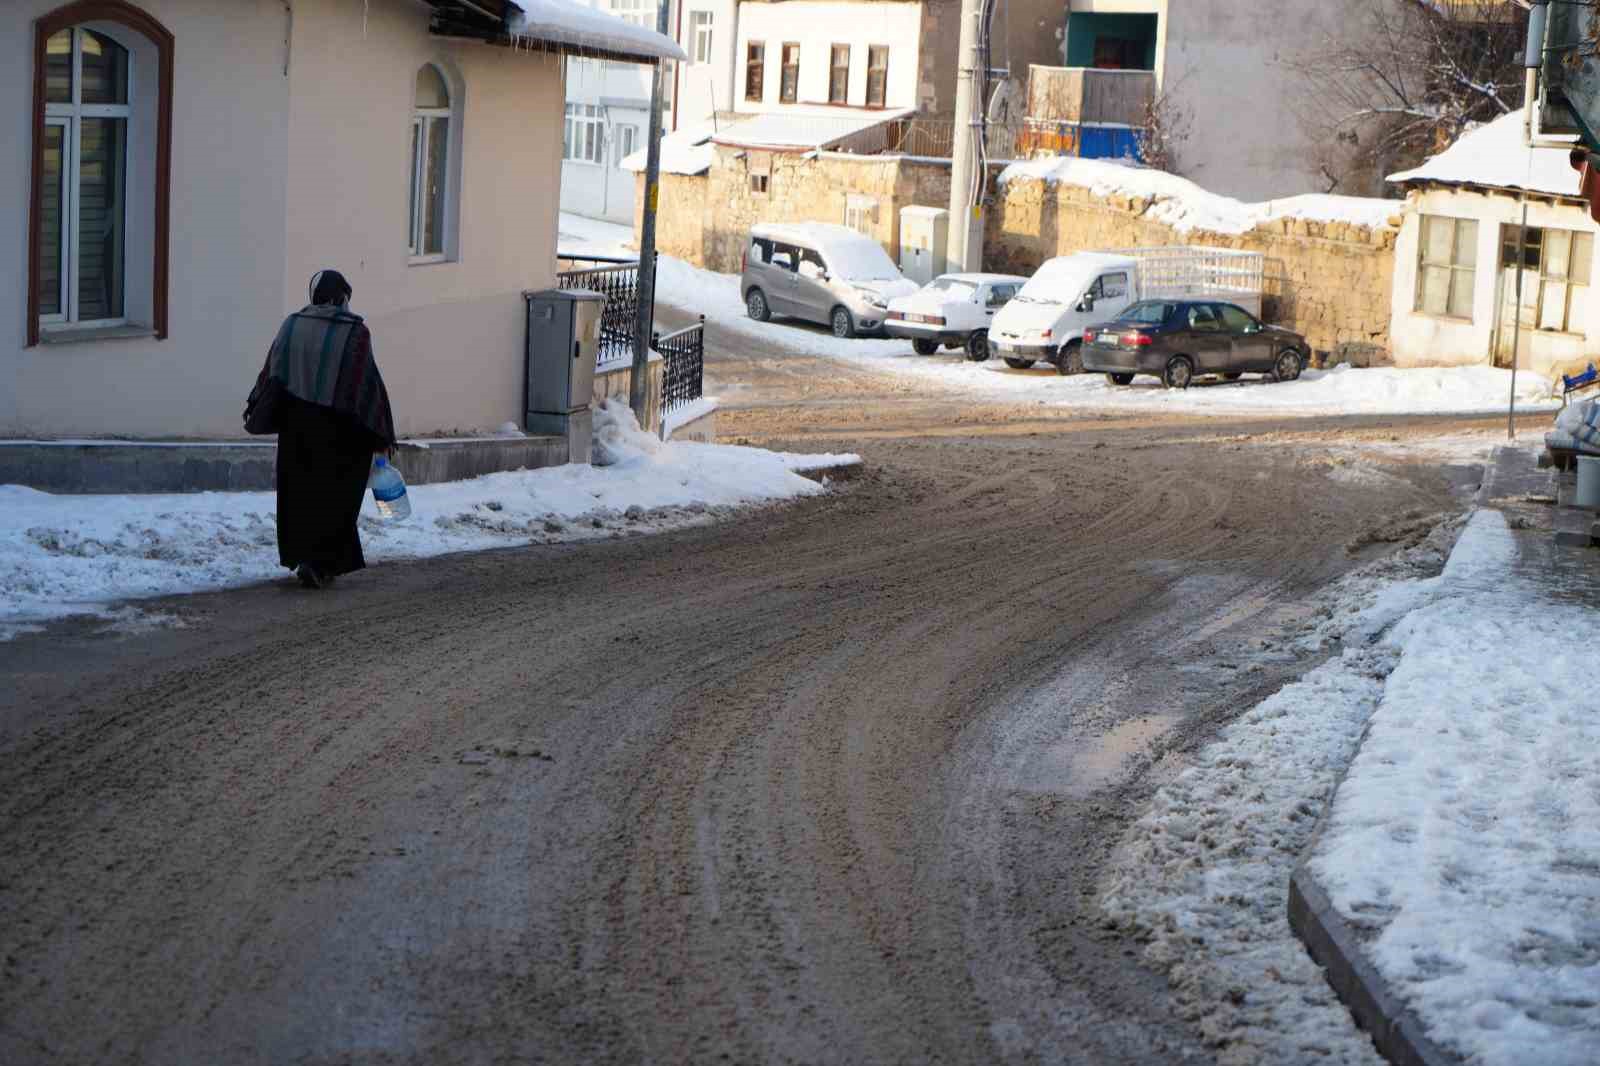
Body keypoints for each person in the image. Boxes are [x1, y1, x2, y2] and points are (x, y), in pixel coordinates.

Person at [246, 269, 397, 589]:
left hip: (296, 424)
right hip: (338, 428)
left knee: (299, 494)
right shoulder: (355, 332)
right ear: (341, 297)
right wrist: (378, 431)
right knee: (336, 495)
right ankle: (321, 562)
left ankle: (304, 557)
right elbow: (364, 384)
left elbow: (272, 371)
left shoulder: (291, 324)